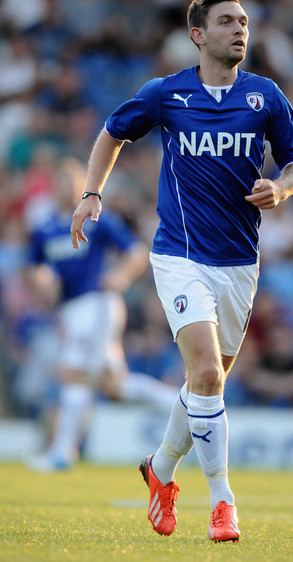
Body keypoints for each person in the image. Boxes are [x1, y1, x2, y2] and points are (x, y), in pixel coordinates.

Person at [70, 0, 293, 542]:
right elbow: (112, 133)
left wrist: (283, 186)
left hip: (238, 263)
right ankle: (223, 502)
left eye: (244, 21)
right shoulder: (167, 93)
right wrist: (91, 194)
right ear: (199, 34)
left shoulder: (265, 97)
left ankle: (158, 470)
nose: (240, 29)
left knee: (207, 387)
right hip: (178, 254)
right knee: (205, 374)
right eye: (227, 21)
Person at [26, 158, 179, 471]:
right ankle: (182, 403)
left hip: (97, 304)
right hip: (71, 311)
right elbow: (33, 268)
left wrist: (121, 276)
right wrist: (40, 281)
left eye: (74, 183)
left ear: (84, 187)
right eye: (62, 182)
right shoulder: (44, 229)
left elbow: (136, 252)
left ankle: (61, 454)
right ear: (54, 188)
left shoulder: (98, 221)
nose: (67, 188)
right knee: (115, 385)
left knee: (72, 372)